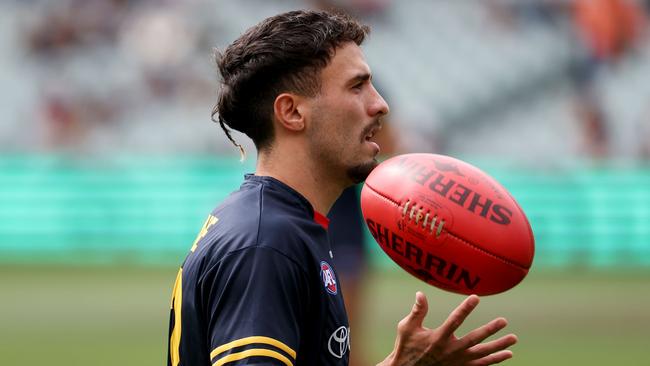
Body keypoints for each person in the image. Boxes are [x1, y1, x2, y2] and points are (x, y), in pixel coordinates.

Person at [168, 9, 517, 366]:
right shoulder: (267, 243)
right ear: (291, 112)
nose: (380, 105)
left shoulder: (284, 226)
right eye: (357, 86)